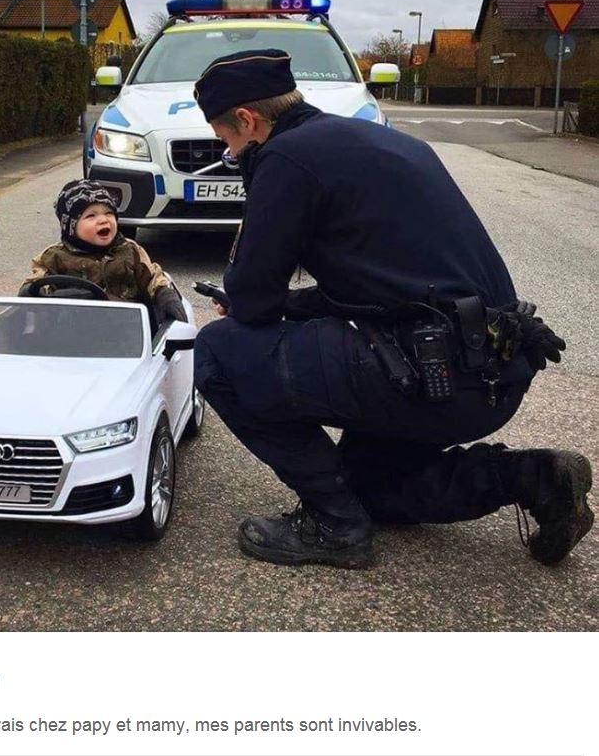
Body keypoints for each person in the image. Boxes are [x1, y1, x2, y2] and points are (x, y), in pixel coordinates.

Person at [192, 49, 593, 569]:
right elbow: (373, 287)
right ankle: (535, 479)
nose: (230, 153)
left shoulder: (285, 158)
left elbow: (251, 299)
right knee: (370, 486)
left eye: (225, 140)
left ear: (247, 120)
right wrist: (292, 304)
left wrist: (251, 302)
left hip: (430, 374)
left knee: (219, 352)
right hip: (490, 371)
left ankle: (334, 525)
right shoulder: (379, 140)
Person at [20, 179, 186, 325]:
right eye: (91, 216)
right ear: (70, 226)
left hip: (128, 330)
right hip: (72, 330)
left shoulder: (129, 250)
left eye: (109, 213)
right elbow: (36, 282)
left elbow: (152, 277)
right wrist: (33, 291)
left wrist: (164, 294)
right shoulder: (54, 256)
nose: (103, 220)